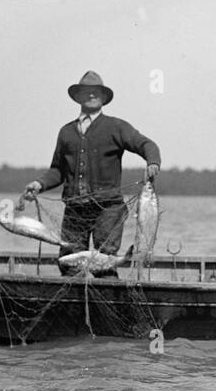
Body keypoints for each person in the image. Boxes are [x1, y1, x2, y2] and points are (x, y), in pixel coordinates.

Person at [24, 71, 161, 269]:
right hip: (75, 209)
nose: (91, 95)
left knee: (104, 264)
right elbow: (57, 171)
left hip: (108, 210)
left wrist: (153, 162)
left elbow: (147, 144)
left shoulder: (116, 127)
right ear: (78, 97)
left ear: (104, 98)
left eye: (96, 92)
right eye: (86, 92)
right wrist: (39, 184)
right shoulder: (66, 132)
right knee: (69, 264)